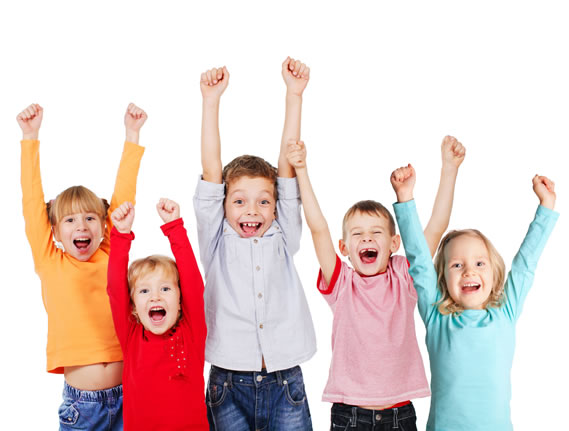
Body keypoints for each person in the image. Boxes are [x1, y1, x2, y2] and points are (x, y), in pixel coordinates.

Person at [286, 136, 465, 430]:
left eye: (376, 232)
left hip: (399, 416)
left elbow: (436, 227)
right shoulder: (342, 283)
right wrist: (302, 170)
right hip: (349, 416)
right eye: (357, 234)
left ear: (394, 243)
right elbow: (318, 229)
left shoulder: (403, 276)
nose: (367, 238)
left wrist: (450, 169)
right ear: (344, 247)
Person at [194, 58, 315, 430]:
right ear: (223, 205)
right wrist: (210, 101)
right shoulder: (216, 239)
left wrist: (294, 95)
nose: (252, 210)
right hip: (228, 382)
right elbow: (212, 169)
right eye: (239, 201)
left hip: (285, 379)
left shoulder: (283, 233)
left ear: (276, 207)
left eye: (263, 201)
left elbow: (286, 169)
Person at [392, 165, 558, 431]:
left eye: (480, 263)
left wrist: (546, 207)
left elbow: (526, 263)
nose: (469, 271)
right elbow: (420, 262)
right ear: (443, 278)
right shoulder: (437, 317)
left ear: (494, 272)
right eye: (457, 265)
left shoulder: (505, 312)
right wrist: (405, 198)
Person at [18, 103, 146, 430]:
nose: (82, 226)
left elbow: (123, 200)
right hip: (83, 407)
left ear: (103, 225)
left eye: (90, 218)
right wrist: (30, 137)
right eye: (70, 220)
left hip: (131, 397)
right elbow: (32, 204)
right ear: (54, 230)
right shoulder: (51, 262)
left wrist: (132, 135)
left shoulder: (110, 253)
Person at [107, 198, 208, 430]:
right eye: (144, 291)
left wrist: (175, 228)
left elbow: (193, 283)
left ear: (180, 301)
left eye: (165, 289)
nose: (155, 297)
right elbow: (115, 290)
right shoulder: (132, 336)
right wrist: (121, 235)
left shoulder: (192, 333)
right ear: (133, 306)